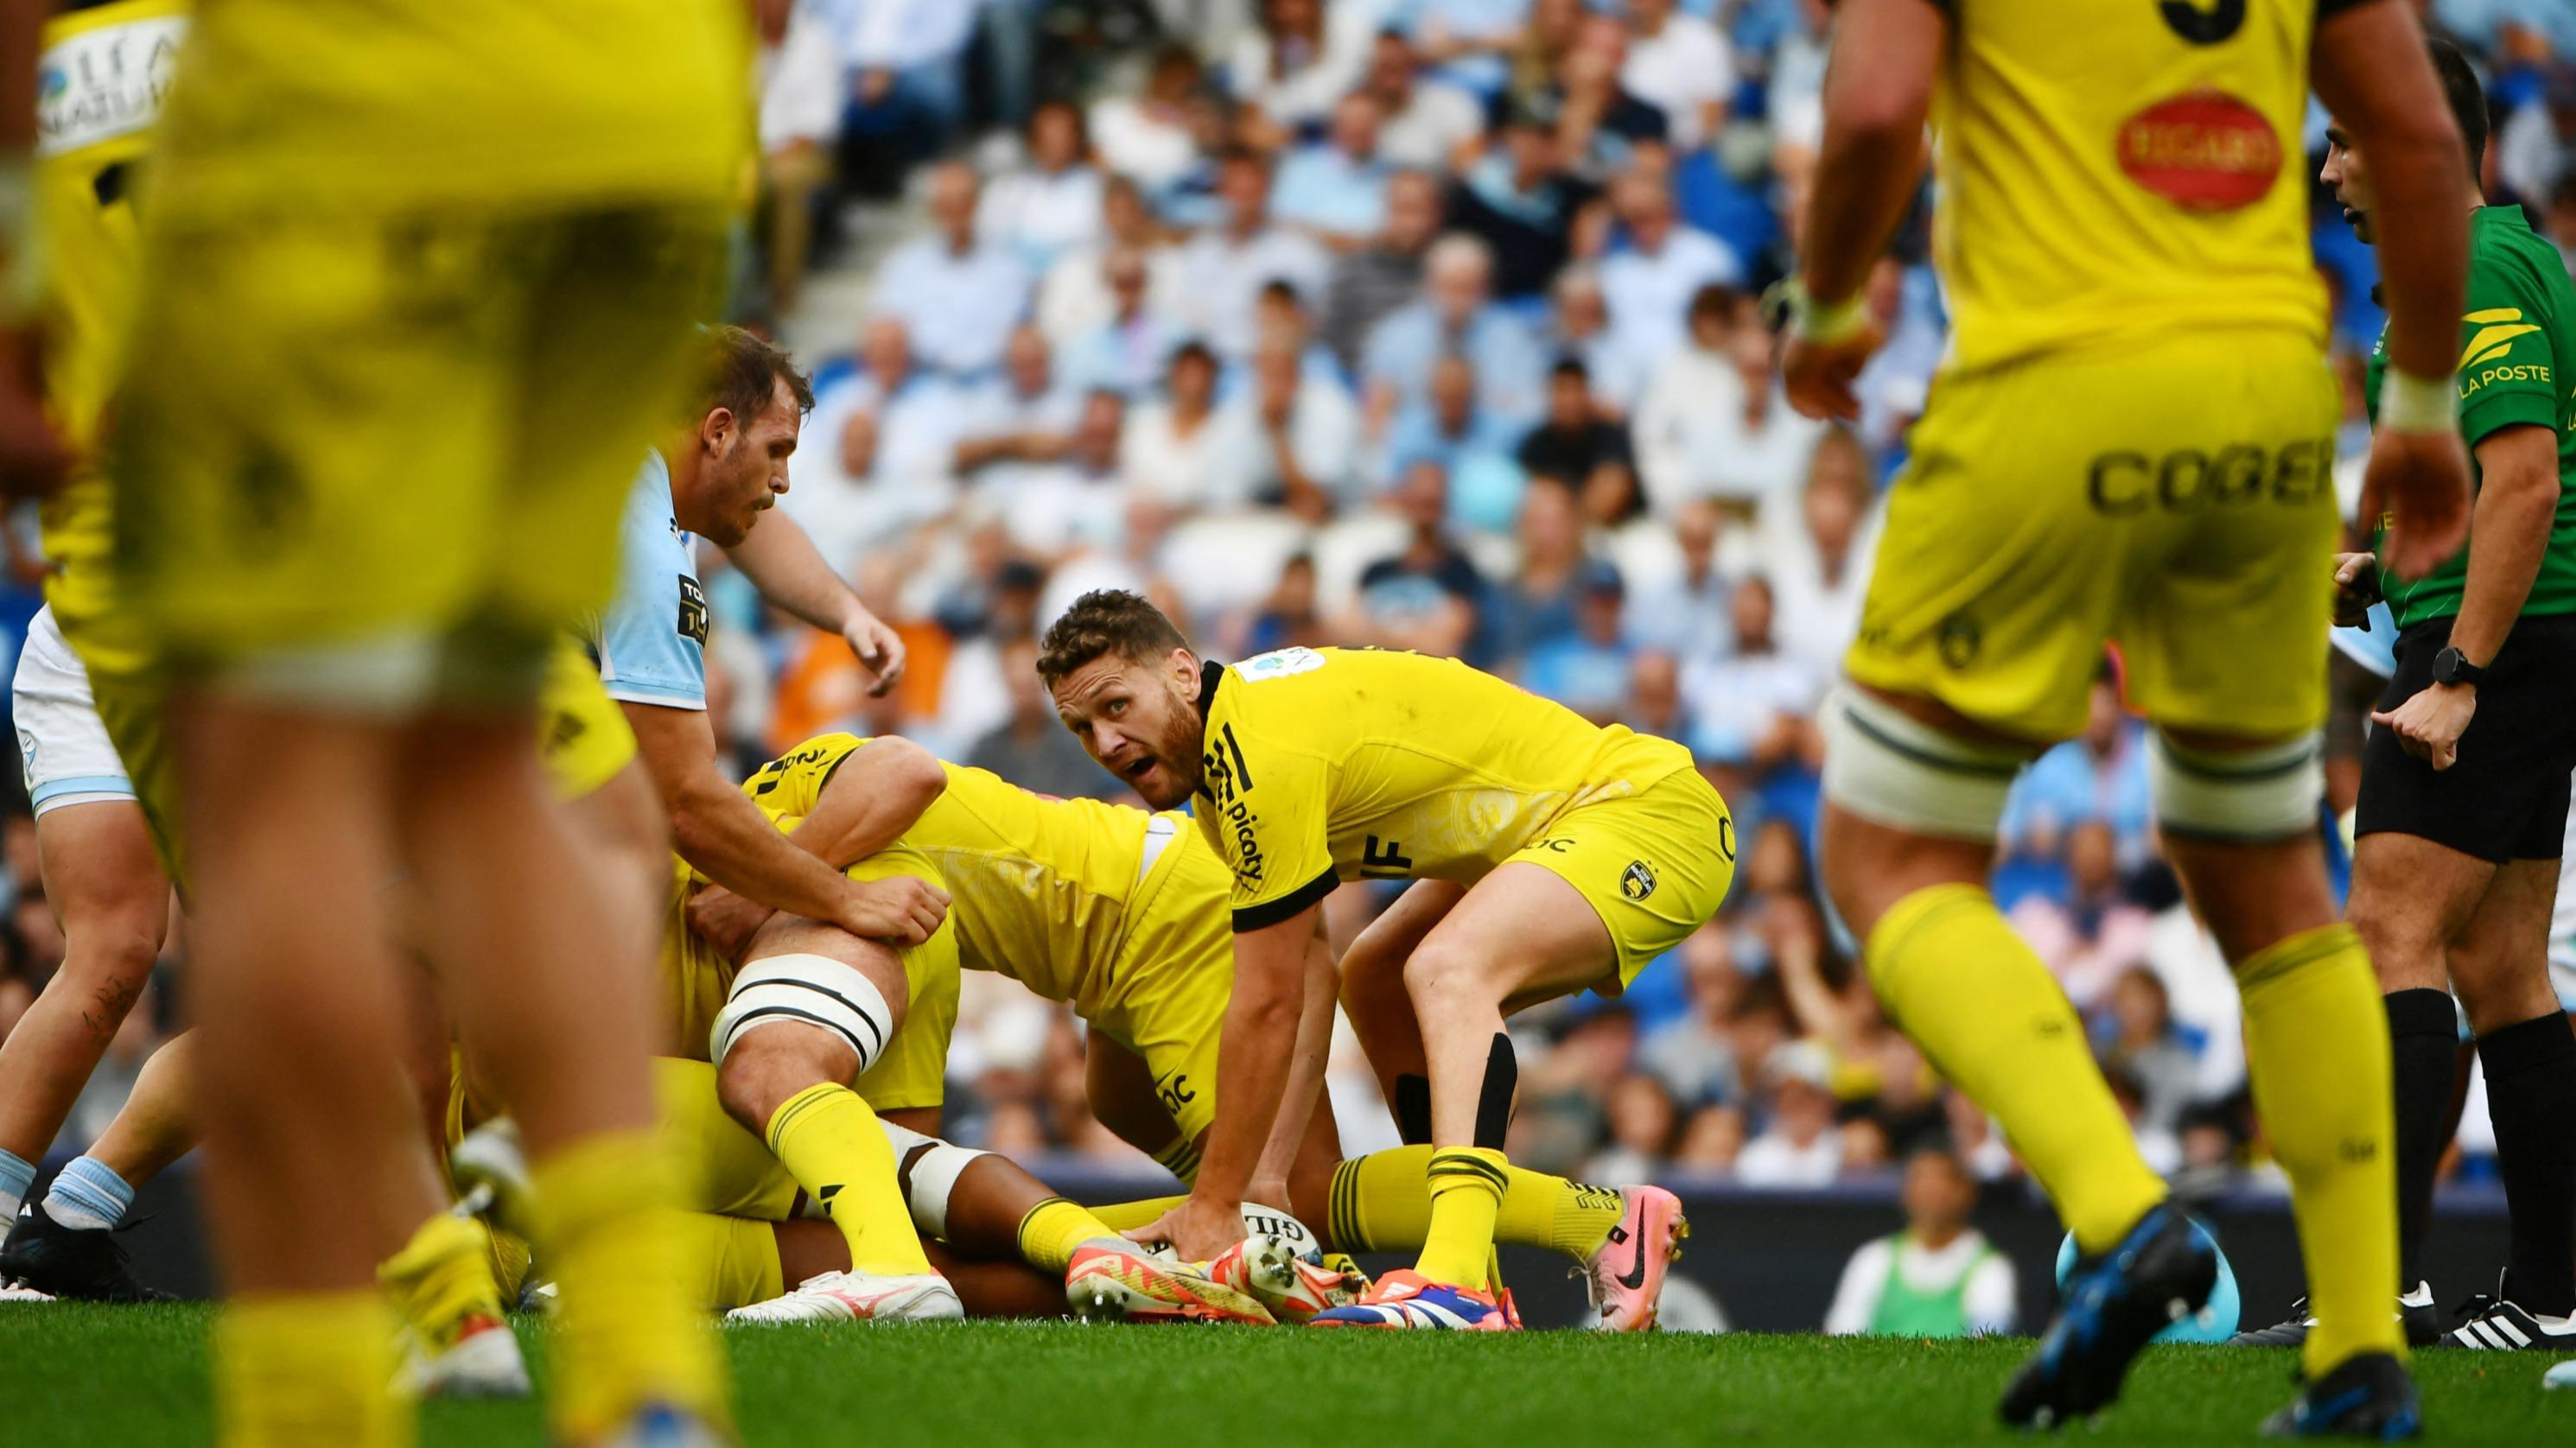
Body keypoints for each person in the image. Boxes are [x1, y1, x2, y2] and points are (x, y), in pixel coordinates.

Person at [1778, 0, 2472, 1433]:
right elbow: (2414, 134)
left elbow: (1867, 112)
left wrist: (1830, 308)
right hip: (2267, 405)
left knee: (1889, 860)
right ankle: (2356, 1353)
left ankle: (2122, 1211)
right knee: (2271, 877)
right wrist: (2409, 401)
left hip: (2054, 385)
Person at [99, 0, 761, 1439]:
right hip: (646, 108)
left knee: (279, 794)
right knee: (485, 757)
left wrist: (28, 244)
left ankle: (317, 1398)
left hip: (366, 114)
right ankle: (643, 1366)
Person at [684, 727, 1690, 1330]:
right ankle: (1245, 1247)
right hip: (1126, 930)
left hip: (1164, 917)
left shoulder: (787, 824)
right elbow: (901, 1153)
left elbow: (904, 769)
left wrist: (747, 887)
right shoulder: (862, 907)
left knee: (1297, 1190)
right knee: (1115, 1102)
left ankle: (1592, 1217)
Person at [1037, 590, 1734, 1331]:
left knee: (1447, 968)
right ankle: (1511, 1266)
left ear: (1182, 671)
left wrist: (1214, 1203)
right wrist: (1267, 1177)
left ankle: (1457, 1282)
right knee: (1374, 976)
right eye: (1082, 727)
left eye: (1116, 706)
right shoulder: (1221, 776)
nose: (1106, 743)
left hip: (1647, 814)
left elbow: (1267, 1003)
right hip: (1551, 826)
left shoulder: (1257, 754)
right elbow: (1309, 972)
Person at [2318, 45, 2576, 1354]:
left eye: (2349, 141)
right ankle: (2548, 1293)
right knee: (2500, 966)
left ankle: (2384, 1289)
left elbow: (2523, 481)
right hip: (2522, 638)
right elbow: (2464, 463)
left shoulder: (2476, 265)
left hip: (2500, 647)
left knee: (2386, 938)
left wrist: (2460, 672)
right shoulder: (2471, 267)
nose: (2328, 169)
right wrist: (2376, 547)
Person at [1822, 1148, 2017, 1338]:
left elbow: (1987, 1344)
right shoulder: (1873, 1258)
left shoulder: (1991, 1268)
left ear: (1966, 1193)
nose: (1931, 1192)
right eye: (1921, 1181)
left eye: (1942, 1182)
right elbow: (1841, 1337)